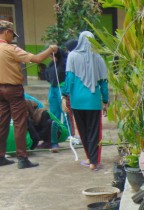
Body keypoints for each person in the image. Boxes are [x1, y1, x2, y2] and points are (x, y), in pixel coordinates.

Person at [0, 20, 58, 168]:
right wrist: (51, 49)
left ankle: (0, 157)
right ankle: (22, 158)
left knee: (2, 123)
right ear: (7, 32)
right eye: (12, 35)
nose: (13, 38)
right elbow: (37, 59)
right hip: (13, 89)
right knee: (20, 122)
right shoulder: (11, 49)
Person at [62, 31, 108, 171]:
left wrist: (64, 96)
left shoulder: (72, 56)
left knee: (83, 131)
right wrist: (105, 101)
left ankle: (88, 158)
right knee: (94, 132)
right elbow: (103, 82)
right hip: (93, 101)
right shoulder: (98, 58)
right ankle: (94, 162)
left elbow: (69, 79)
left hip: (77, 101)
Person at [45, 39, 77, 150]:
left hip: (62, 87)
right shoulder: (51, 64)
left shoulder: (65, 61)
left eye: (52, 54)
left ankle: (70, 135)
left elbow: (60, 53)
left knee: (66, 111)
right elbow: (47, 76)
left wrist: (55, 49)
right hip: (53, 88)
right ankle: (55, 136)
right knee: (54, 113)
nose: (51, 57)